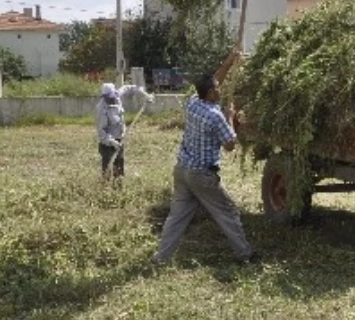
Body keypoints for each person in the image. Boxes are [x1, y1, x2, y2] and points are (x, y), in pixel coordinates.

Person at [152, 47, 256, 265]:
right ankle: (245, 255)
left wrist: (229, 61)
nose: (220, 88)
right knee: (227, 212)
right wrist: (230, 118)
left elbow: (214, 79)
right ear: (210, 94)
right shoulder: (215, 116)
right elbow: (229, 145)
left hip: (182, 170)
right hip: (202, 176)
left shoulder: (193, 102)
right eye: (217, 89)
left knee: (177, 217)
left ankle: (160, 258)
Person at [95, 82, 154, 181]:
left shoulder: (117, 95)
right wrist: (111, 141)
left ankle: (118, 187)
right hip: (108, 144)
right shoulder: (101, 109)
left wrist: (144, 94)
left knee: (119, 166)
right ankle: (105, 188)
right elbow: (101, 131)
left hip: (120, 139)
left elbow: (128, 88)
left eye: (111, 96)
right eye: (107, 97)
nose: (110, 99)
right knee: (107, 169)